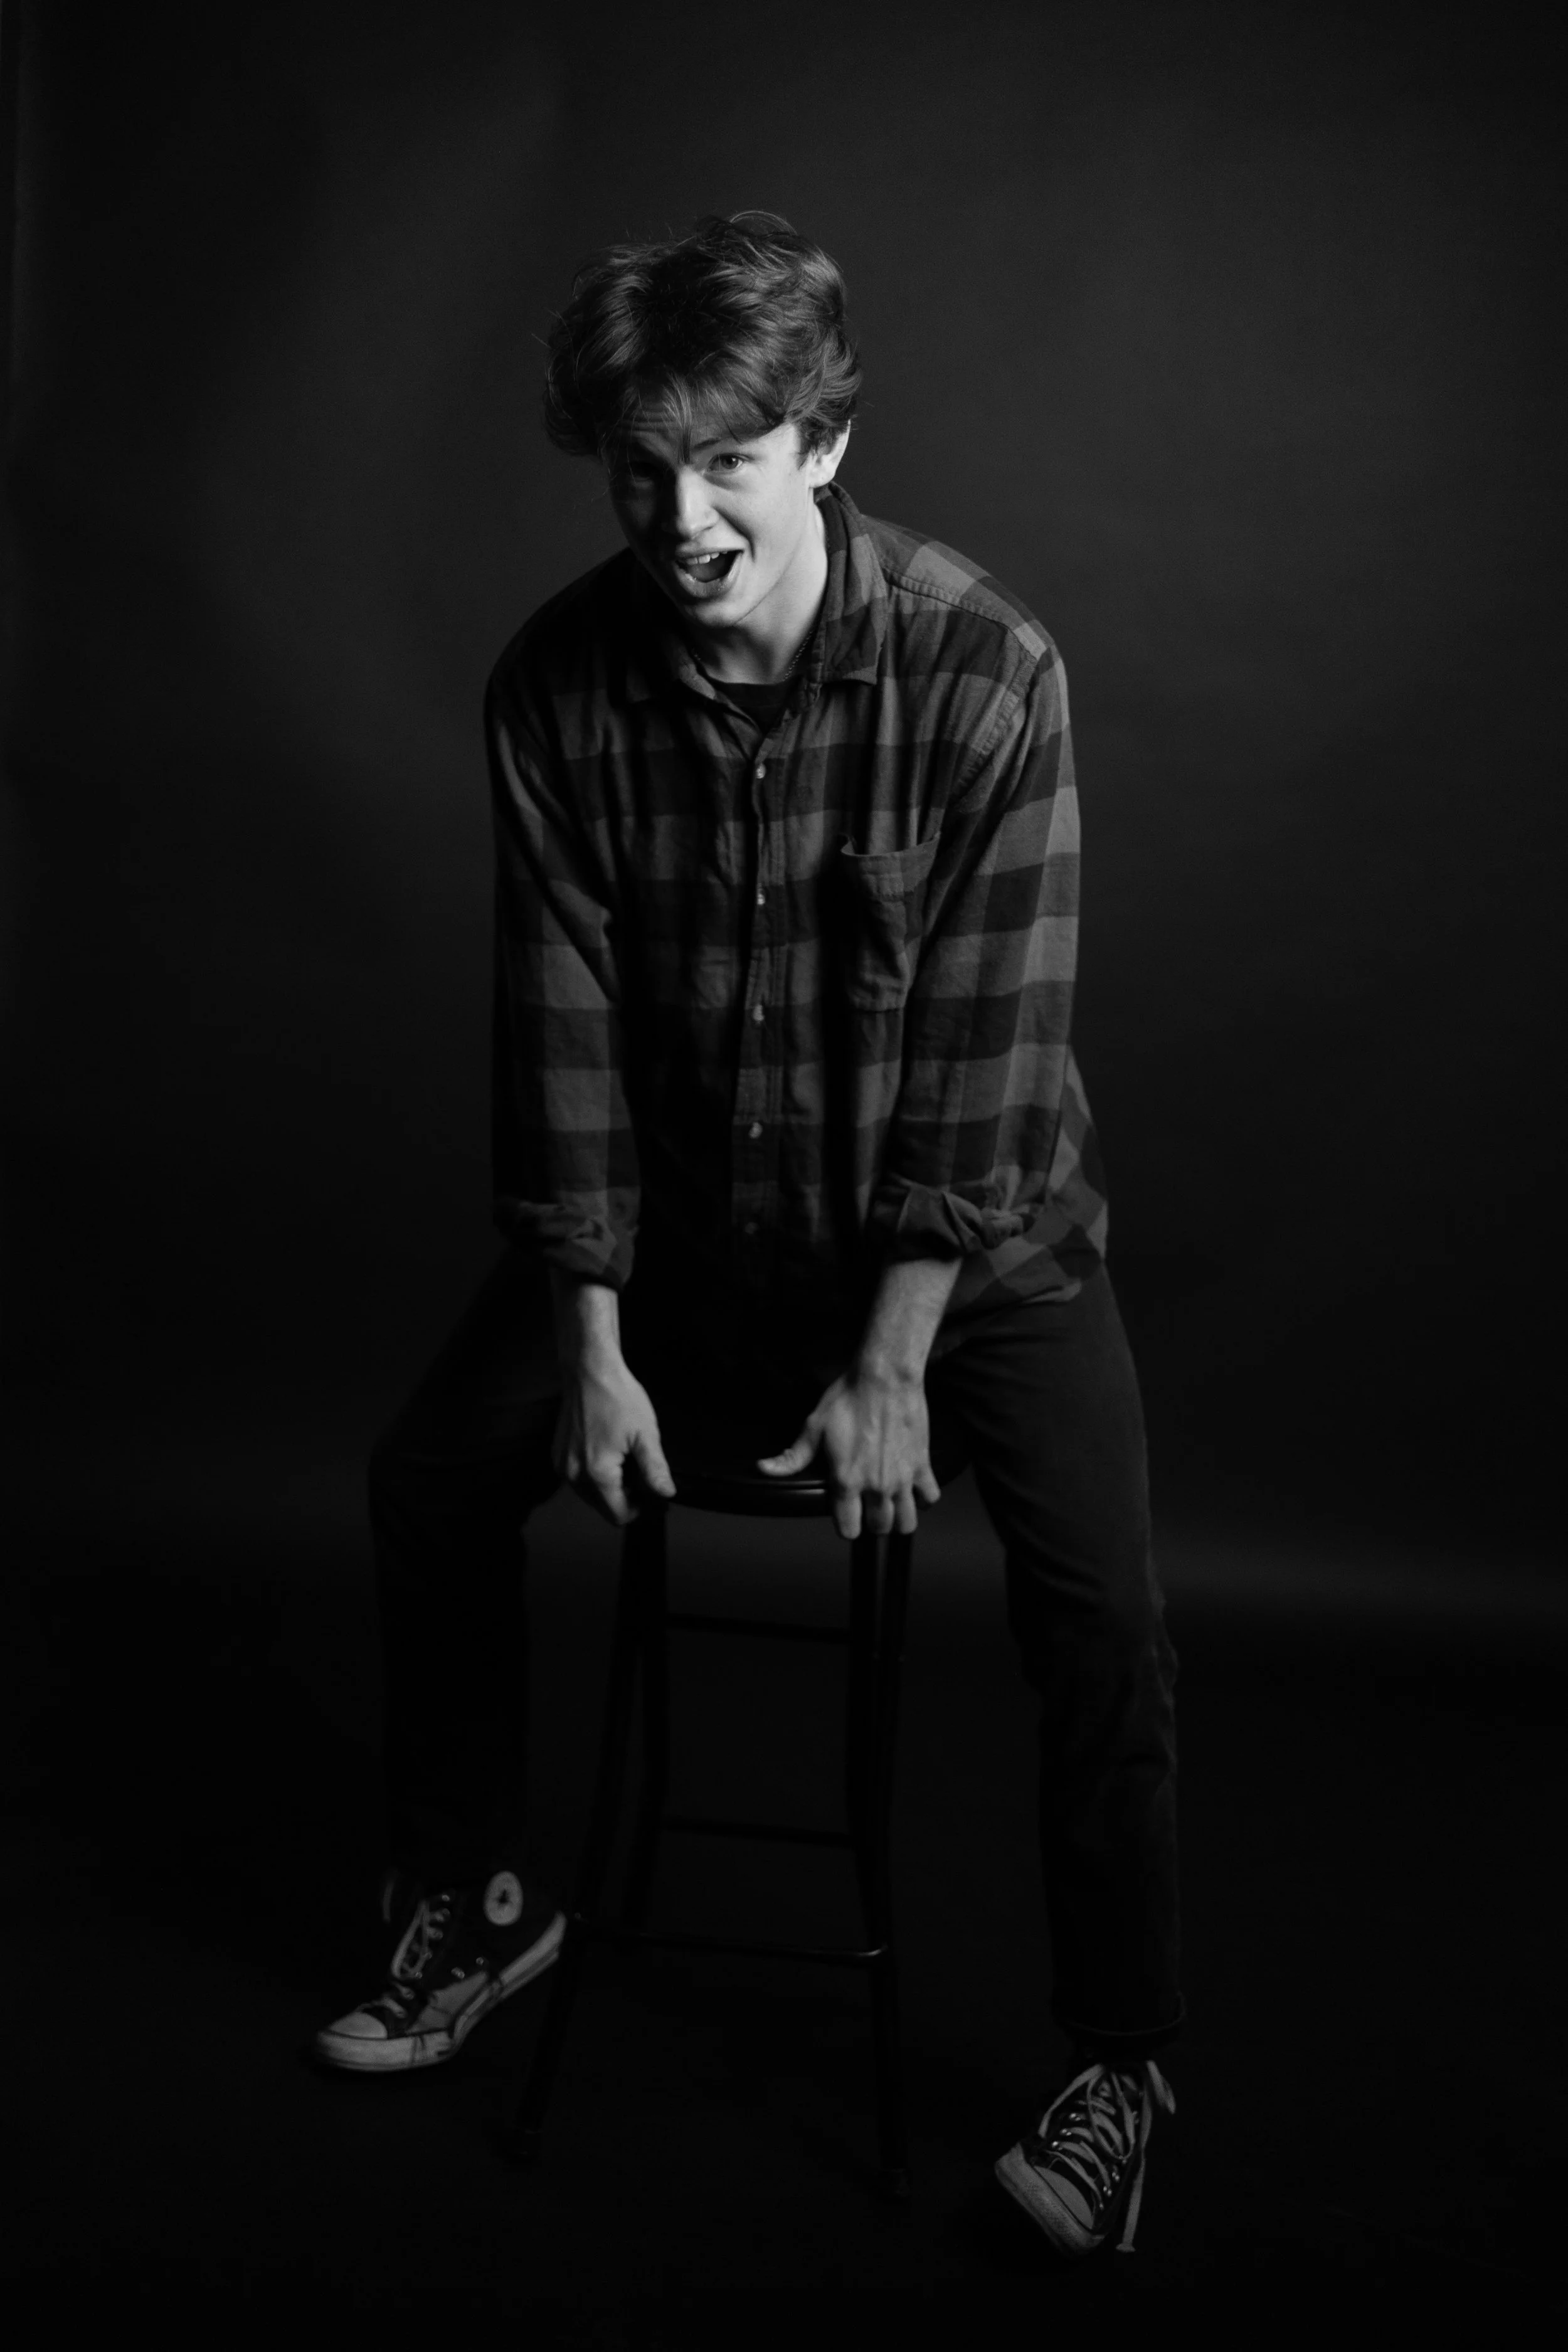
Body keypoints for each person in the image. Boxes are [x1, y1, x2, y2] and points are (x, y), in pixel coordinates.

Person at [313, 211, 1181, 2259]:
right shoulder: (557, 683)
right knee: (430, 1476)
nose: (683, 517)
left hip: (972, 1248)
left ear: (822, 442)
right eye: (642, 469)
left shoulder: (986, 666)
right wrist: (594, 1342)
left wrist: (892, 1361)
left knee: (1104, 1612)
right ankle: (476, 1904)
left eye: (728, 462)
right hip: (695, 1226)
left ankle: (1122, 2062)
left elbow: (987, 1050)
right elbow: (561, 1037)